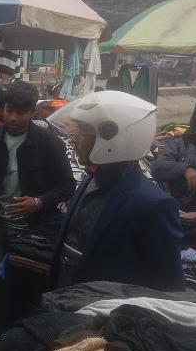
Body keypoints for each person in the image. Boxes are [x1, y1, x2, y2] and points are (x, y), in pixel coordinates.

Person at [49, 90, 185, 291]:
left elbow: (169, 286)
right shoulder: (91, 180)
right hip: (66, 299)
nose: (73, 139)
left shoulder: (154, 205)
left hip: (107, 307)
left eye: (83, 132)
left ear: (112, 140)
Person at [0, 80, 76, 281]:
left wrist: (38, 202)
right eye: (9, 110)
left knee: (20, 283)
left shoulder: (49, 143)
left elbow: (67, 185)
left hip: (33, 231)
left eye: (21, 113)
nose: (13, 118)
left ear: (32, 112)